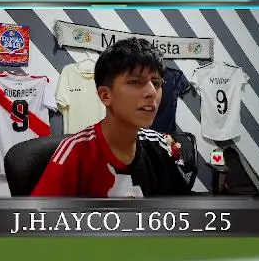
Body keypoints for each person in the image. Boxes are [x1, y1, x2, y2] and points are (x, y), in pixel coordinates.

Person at [32, 38, 191, 198]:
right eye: (135, 82)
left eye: (156, 83)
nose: (152, 93)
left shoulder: (163, 145)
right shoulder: (73, 153)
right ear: (105, 96)